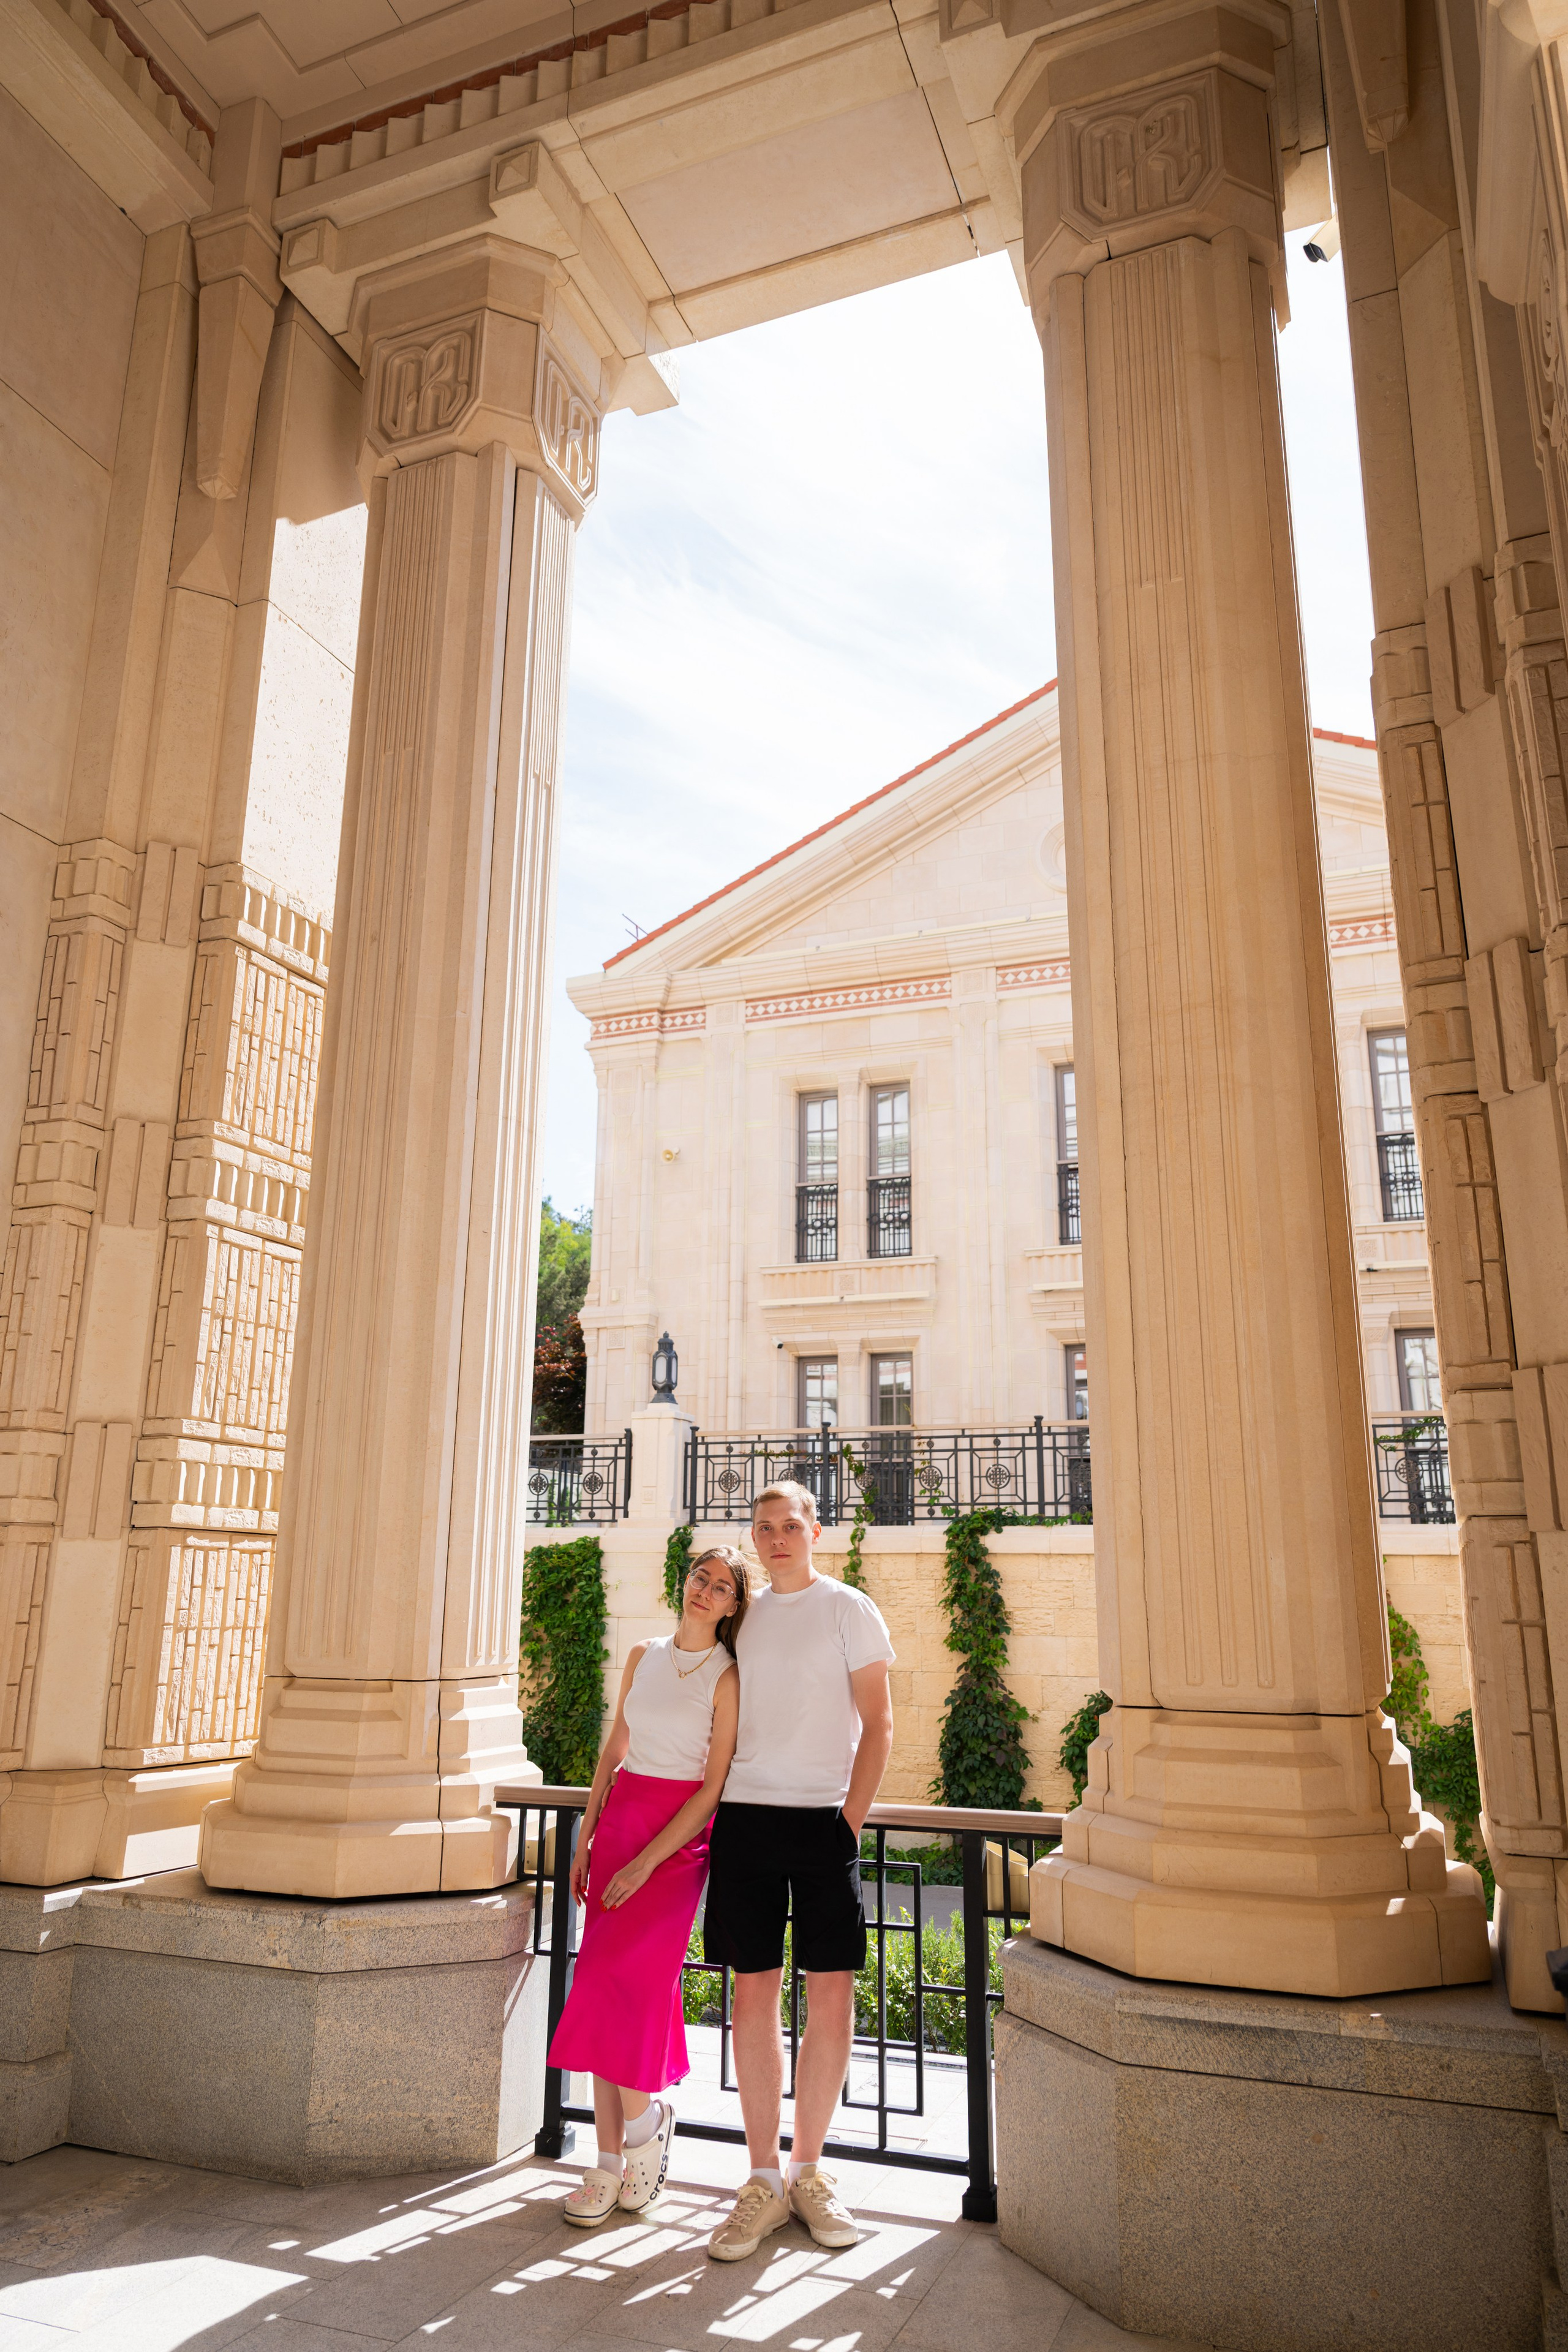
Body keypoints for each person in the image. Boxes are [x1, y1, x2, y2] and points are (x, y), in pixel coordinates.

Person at [702, 1480, 895, 2261]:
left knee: (830, 1993)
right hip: (744, 1819)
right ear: (754, 1539)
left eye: (790, 1525)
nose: (777, 1538)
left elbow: (880, 1725)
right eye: (763, 1528)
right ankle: (761, 2182)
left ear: (815, 1530)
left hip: (823, 1824)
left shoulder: (849, 1608)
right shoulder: (740, 1617)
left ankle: (810, 2172)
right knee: (751, 1993)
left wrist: (845, 1824)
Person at [548, 1544, 748, 2226]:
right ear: (685, 1582)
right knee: (605, 1985)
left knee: (625, 1985)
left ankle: (644, 2131)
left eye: (722, 1587)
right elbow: (615, 1749)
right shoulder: (643, 1654)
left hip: (678, 1840)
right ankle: (607, 2166)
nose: (706, 1591)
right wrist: (588, 1830)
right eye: (701, 1577)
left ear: (731, 1606)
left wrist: (646, 1864)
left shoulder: (727, 1677)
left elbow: (713, 1787)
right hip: (622, 1820)